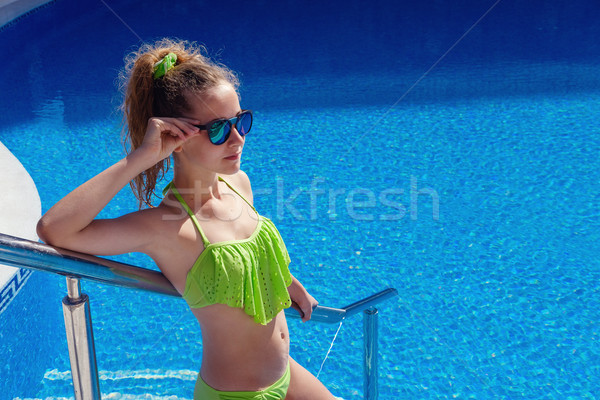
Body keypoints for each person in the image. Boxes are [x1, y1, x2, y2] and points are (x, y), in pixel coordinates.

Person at [37, 38, 336, 400]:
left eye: (241, 121)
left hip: (286, 373)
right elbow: (55, 229)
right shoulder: (166, 227)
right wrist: (141, 158)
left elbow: (245, 256)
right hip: (236, 394)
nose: (237, 138)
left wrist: (286, 281)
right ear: (175, 136)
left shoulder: (238, 184)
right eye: (218, 129)